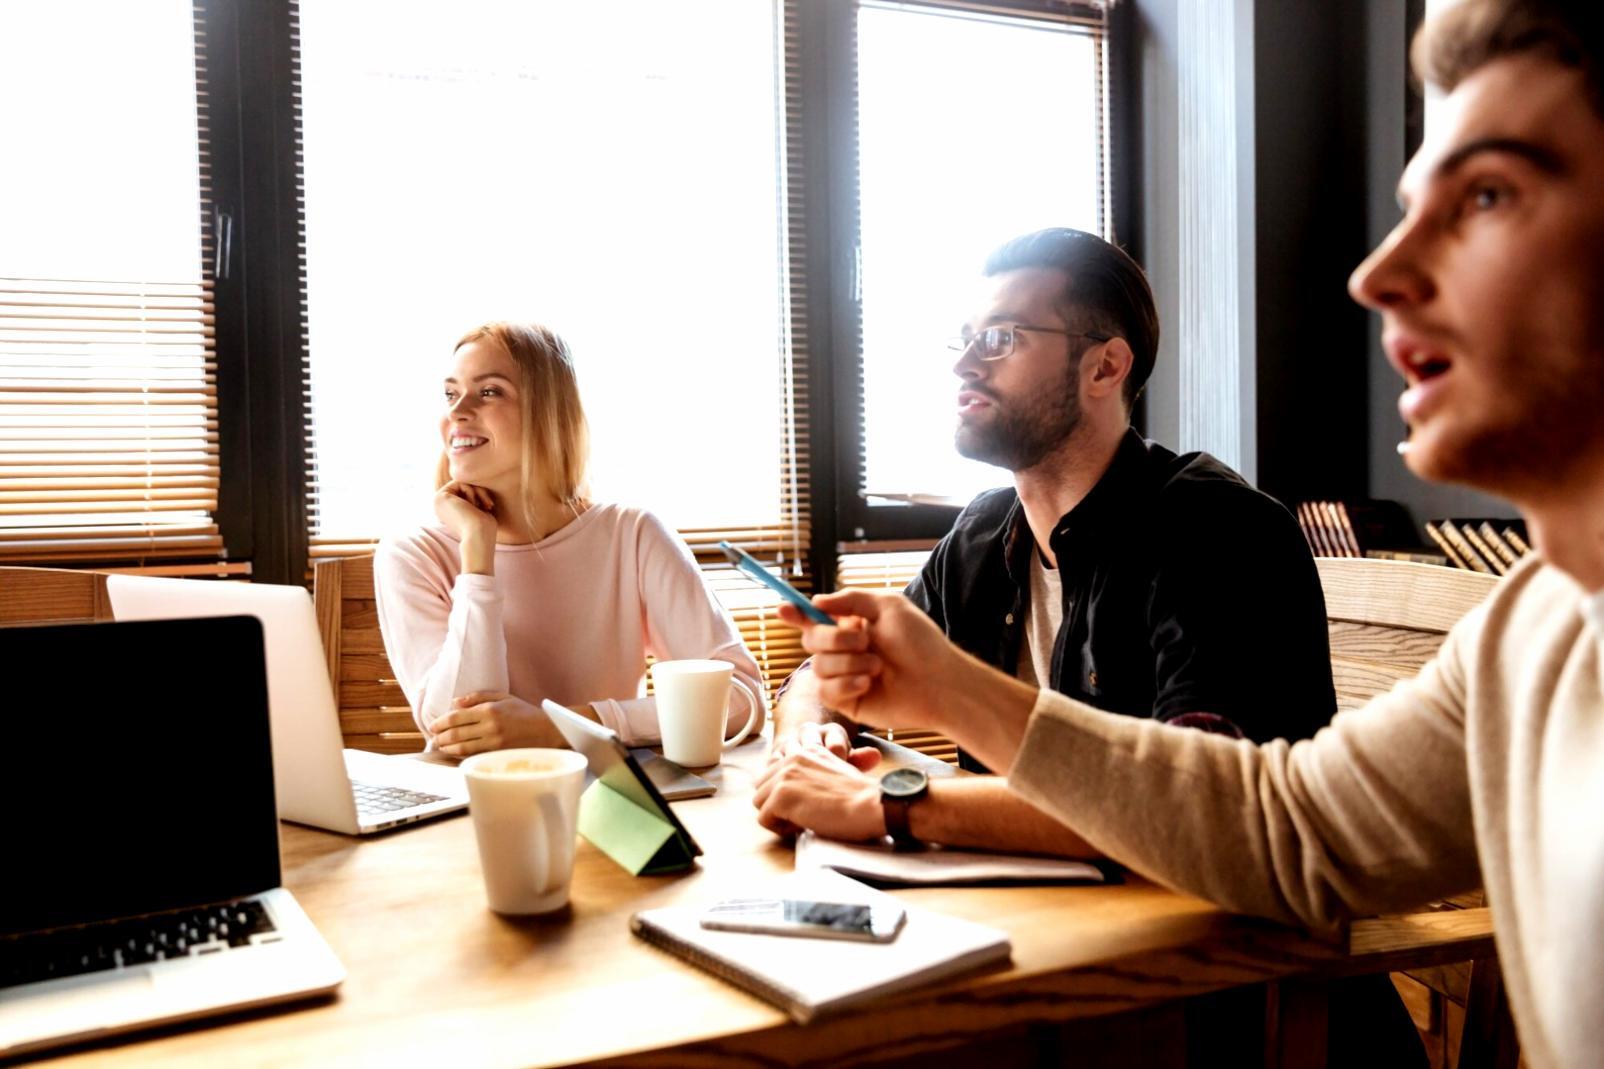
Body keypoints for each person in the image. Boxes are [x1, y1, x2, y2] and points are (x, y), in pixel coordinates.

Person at [777, 3, 1604, 1067]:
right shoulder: (1536, 629)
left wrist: (899, 795)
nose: (1374, 276)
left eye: (1487, 194)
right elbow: (1285, 826)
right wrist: (872, 718)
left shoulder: (1214, 529)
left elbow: (1241, 808)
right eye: (1410, 207)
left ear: (1106, 366)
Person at [760, 228, 1336, 856]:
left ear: (1104, 367)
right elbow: (838, 669)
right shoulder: (981, 534)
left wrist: (886, 807)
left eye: (1000, 338)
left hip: (1193, 915)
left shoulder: (1220, 531)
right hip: (1018, 898)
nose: (964, 364)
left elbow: (1202, 811)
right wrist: (806, 741)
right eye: (965, 339)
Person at [373, 321, 764, 757]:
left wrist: (561, 726)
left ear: (548, 412)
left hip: (610, 793)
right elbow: (459, 729)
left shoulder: (632, 535)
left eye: (489, 392)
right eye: (451, 394)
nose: (457, 412)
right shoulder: (413, 553)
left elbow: (742, 700)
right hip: (472, 795)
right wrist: (477, 554)